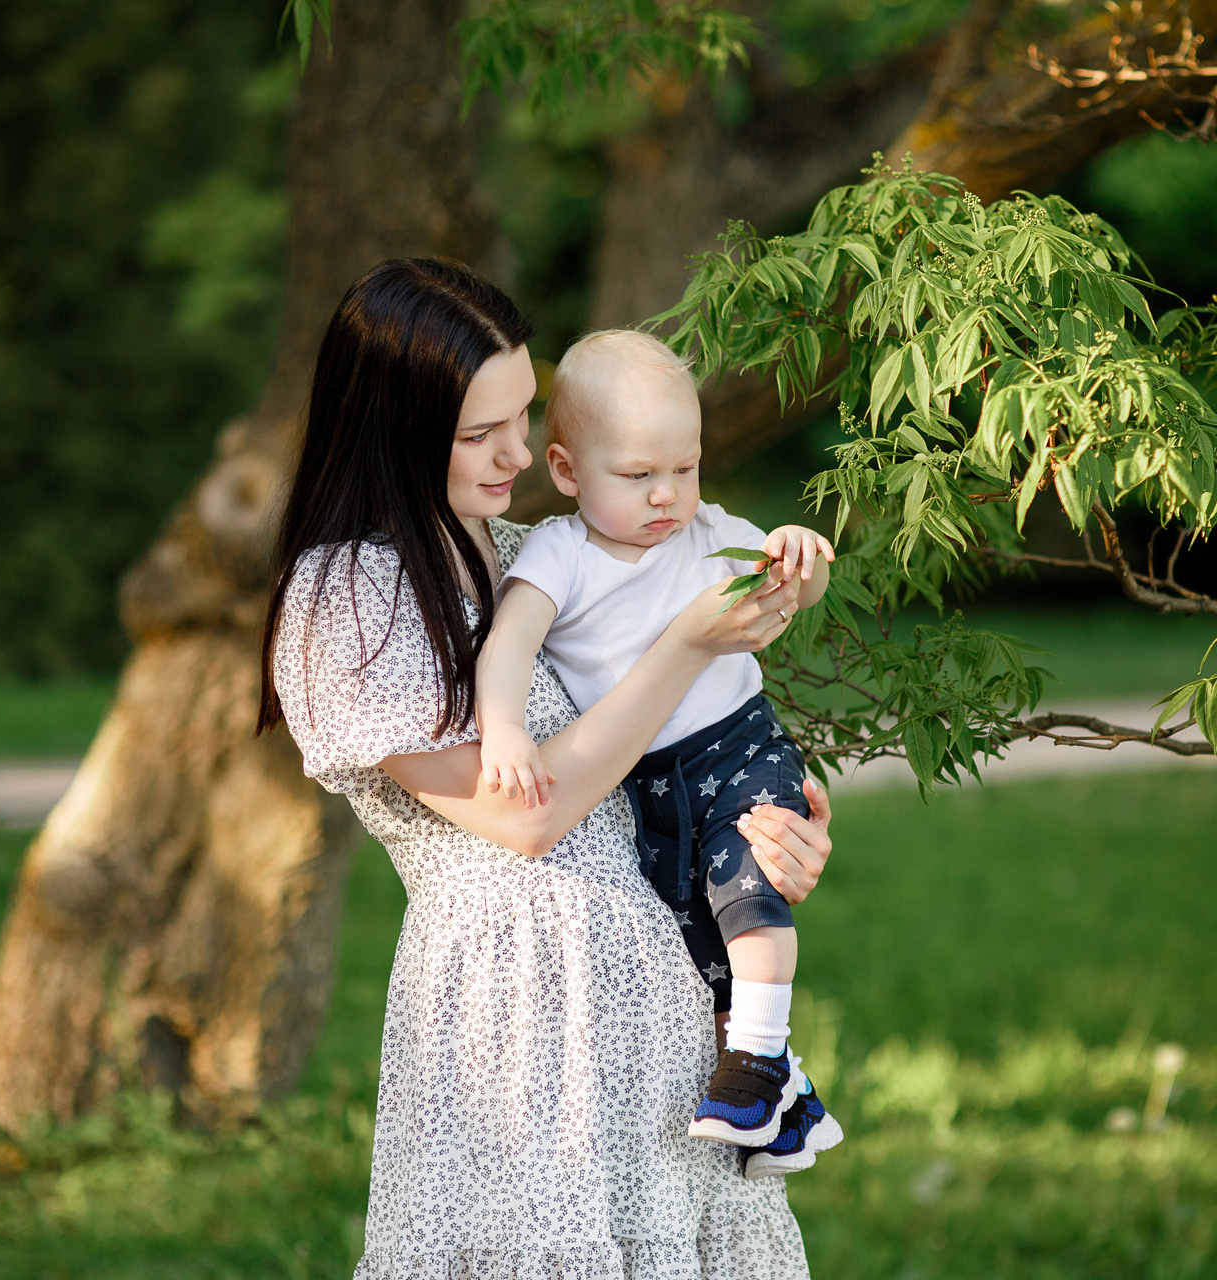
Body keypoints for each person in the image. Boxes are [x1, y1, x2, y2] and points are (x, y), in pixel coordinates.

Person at [257, 259, 834, 1280]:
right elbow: (527, 816)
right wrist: (686, 644)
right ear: (393, 424)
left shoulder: (544, 549)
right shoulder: (349, 597)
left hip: (662, 1009)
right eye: (478, 433)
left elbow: (679, 743)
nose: (516, 454)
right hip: (514, 1026)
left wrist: (769, 824)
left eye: (520, 418)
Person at [475, 330, 843, 1177]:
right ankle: (785, 1099)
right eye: (638, 476)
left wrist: (797, 556)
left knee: (748, 886)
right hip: (640, 774)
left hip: (740, 739)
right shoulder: (557, 554)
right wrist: (502, 730)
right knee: (692, 928)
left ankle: (756, 1058)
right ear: (566, 471)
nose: (667, 495)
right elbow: (506, 649)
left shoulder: (710, 533)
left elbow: (795, 586)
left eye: (685, 468)